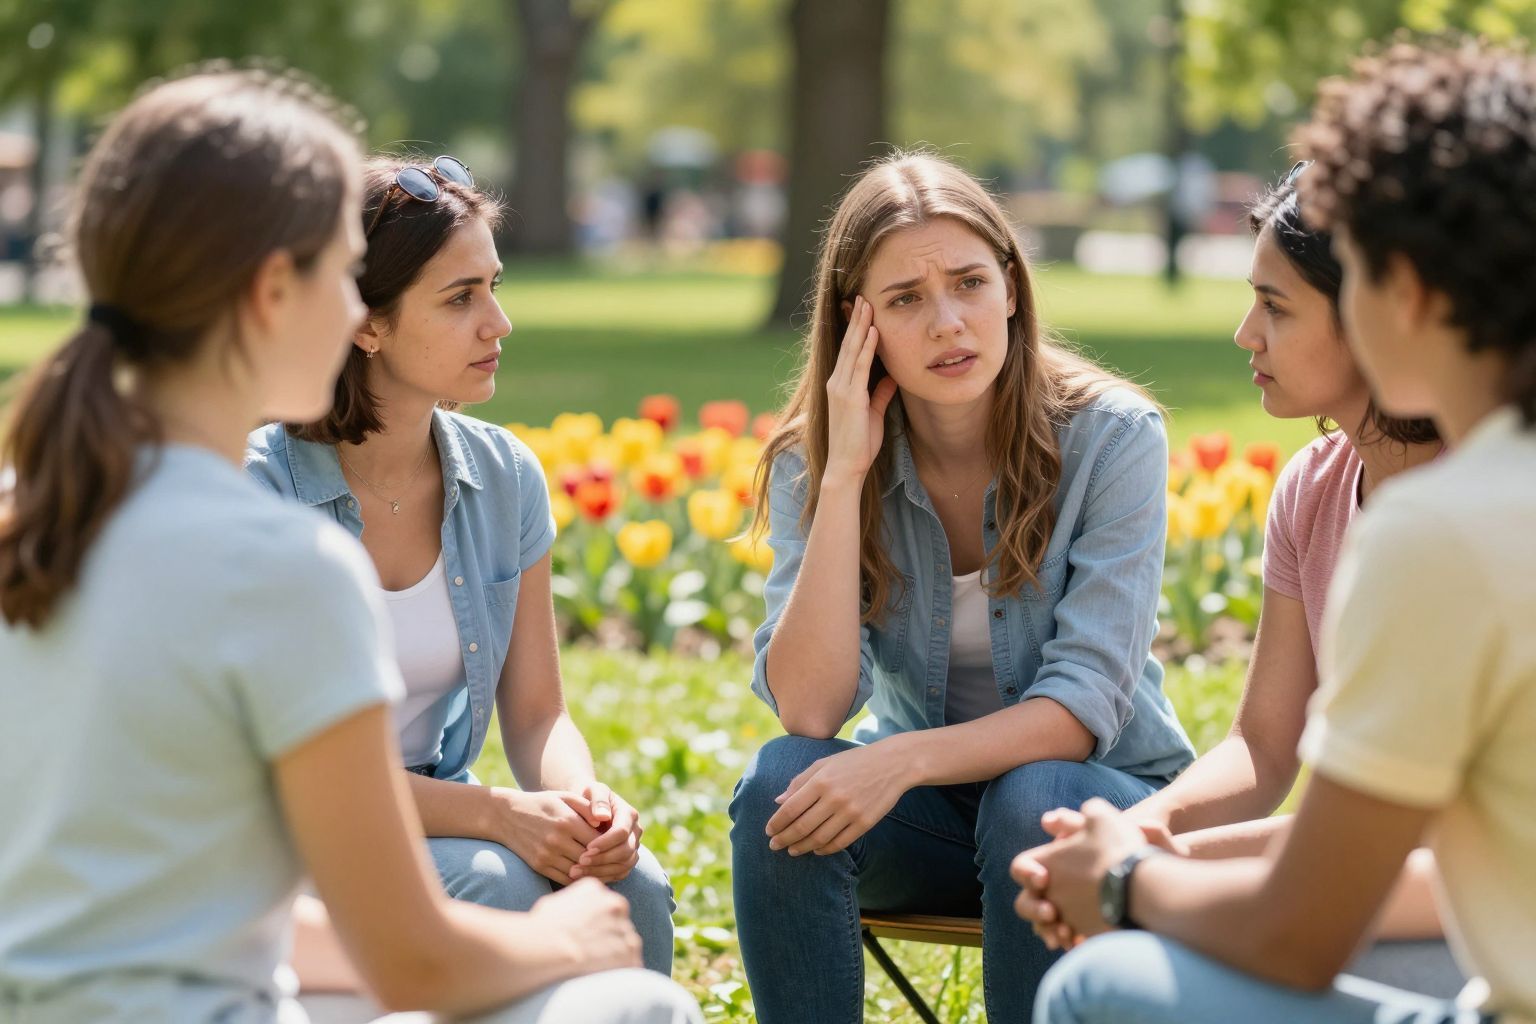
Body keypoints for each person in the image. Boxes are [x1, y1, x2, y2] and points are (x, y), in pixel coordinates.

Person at [0, 68, 700, 1024]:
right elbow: (416, 963)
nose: (349, 310)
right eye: (339, 272)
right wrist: (570, 941)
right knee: (636, 1008)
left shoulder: (33, 517)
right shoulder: (282, 560)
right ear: (271, 292)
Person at [1020, 39, 1536, 1024]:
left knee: (1097, 986)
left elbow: (1302, 926)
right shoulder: (1361, 490)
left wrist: (1129, 880)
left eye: (1276, 303)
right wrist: (1144, 844)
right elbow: (1269, 752)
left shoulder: (1446, 531)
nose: (1245, 334)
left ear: (1405, 292)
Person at [728, 151, 1195, 1023]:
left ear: (1012, 289)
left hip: (1098, 812)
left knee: (1036, 792)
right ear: (857, 323)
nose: (948, 322)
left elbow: (1080, 708)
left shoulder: (1113, 437)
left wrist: (896, 760)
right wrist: (842, 479)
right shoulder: (817, 462)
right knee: (779, 784)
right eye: (906, 299)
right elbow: (808, 709)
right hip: (935, 821)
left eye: (971, 283)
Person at [245, 155, 674, 979]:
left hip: (443, 812)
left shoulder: (503, 476)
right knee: (500, 884)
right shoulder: (256, 487)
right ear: (364, 322)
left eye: (495, 286)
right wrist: (497, 814)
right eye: (460, 298)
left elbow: (539, 713)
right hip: (286, 840)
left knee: (636, 887)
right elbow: (277, 768)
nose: (498, 324)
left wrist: (584, 808)